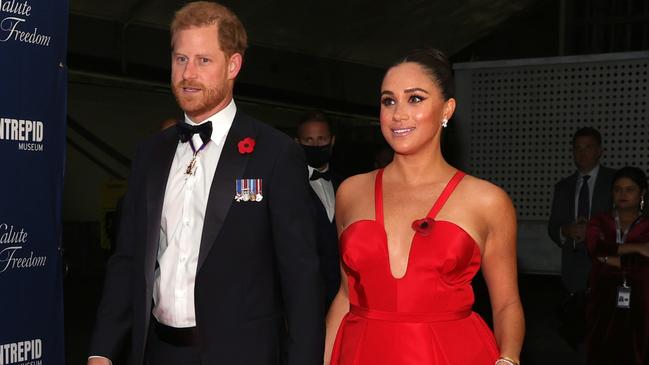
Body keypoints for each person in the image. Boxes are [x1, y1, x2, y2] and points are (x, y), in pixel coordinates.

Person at [87, 2, 324, 365]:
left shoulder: (275, 154)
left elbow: (302, 280)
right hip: (159, 352)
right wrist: (102, 350)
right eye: (180, 59)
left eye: (203, 60)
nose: (188, 74)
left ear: (233, 65)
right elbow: (128, 259)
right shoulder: (151, 153)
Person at [324, 48, 524, 365]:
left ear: (447, 109)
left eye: (415, 98)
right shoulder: (351, 191)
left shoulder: (487, 200)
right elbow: (346, 295)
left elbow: (507, 304)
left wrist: (508, 358)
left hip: (451, 354)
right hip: (361, 352)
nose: (398, 114)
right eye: (388, 100)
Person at [547, 127, 616, 345]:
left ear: (599, 151)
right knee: (577, 337)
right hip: (573, 272)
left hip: (607, 269)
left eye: (588, 148)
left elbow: (632, 223)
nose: (582, 153)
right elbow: (553, 227)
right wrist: (565, 231)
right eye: (577, 148)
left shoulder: (616, 182)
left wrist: (595, 231)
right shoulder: (563, 186)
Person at [585, 166, 649, 365]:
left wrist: (608, 258)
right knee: (600, 351)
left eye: (629, 189)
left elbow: (644, 263)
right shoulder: (599, 221)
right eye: (617, 189)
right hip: (602, 299)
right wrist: (638, 247)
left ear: (642, 194)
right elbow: (596, 247)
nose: (622, 194)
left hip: (642, 300)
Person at [295, 112, 342, 309]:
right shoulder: (287, 185)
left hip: (343, 295)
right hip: (302, 296)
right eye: (309, 140)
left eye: (321, 139)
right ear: (297, 143)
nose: (315, 145)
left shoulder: (346, 184)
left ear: (332, 141)